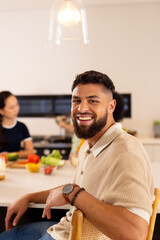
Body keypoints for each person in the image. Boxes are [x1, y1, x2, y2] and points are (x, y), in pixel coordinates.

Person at [0, 71, 154, 240]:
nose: (81, 108)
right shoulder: (88, 145)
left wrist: (73, 193)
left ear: (111, 106)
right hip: (67, 228)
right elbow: (74, 189)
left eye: (93, 101)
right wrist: (29, 197)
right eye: (76, 101)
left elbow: (135, 234)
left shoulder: (127, 151)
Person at [0, 91, 34, 158]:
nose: (16, 109)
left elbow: (30, 151)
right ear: (1, 111)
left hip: (14, 166)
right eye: (12, 107)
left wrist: (10, 155)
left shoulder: (22, 127)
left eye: (17, 105)